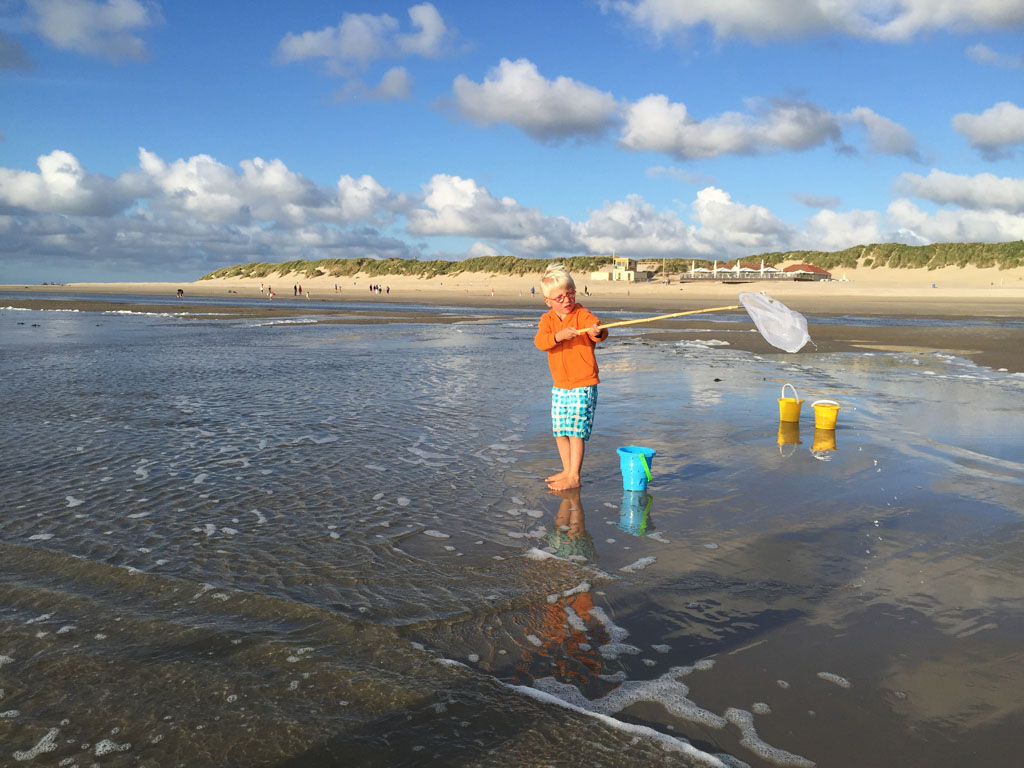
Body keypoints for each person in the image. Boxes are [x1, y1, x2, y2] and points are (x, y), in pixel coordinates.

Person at [533, 263, 608, 490]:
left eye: (570, 294)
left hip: (583, 382)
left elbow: (598, 330)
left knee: (576, 431)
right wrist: (559, 336)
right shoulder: (547, 321)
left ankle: (574, 476)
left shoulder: (582, 314)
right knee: (560, 430)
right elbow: (540, 342)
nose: (567, 300)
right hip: (560, 385)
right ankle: (566, 470)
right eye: (560, 297)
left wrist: (597, 331)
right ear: (548, 301)